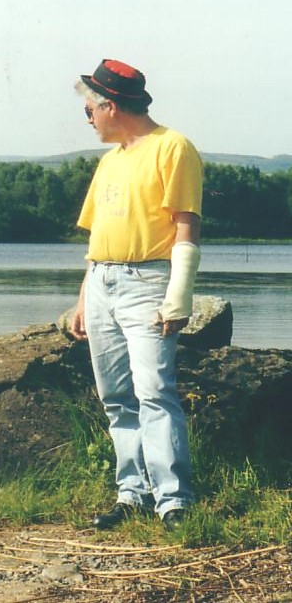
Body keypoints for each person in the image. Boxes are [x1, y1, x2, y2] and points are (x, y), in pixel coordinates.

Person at [70, 59, 203, 532]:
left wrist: (179, 294)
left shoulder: (173, 148)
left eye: (90, 110)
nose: (87, 119)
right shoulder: (110, 161)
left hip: (148, 283)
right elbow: (96, 240)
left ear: (111, 106)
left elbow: (186, 224)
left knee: (154, 393)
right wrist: (85, 297)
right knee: (117, 399)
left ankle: (173, 501)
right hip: (103, 283)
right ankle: (132, 495)